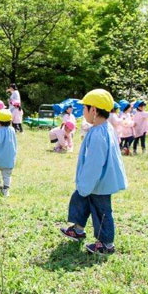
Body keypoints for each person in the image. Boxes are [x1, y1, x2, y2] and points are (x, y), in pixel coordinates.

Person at [60, 89, 127, 254]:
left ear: (94, 110)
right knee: (80, 200)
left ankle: (106, 243)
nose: (83, 112)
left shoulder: (98, 134)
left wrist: (85, 184)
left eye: (85, 108)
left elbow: (95, 163)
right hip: (96, 182)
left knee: (102, 211)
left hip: (99, 182)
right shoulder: (105, 127)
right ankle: (77, 229)